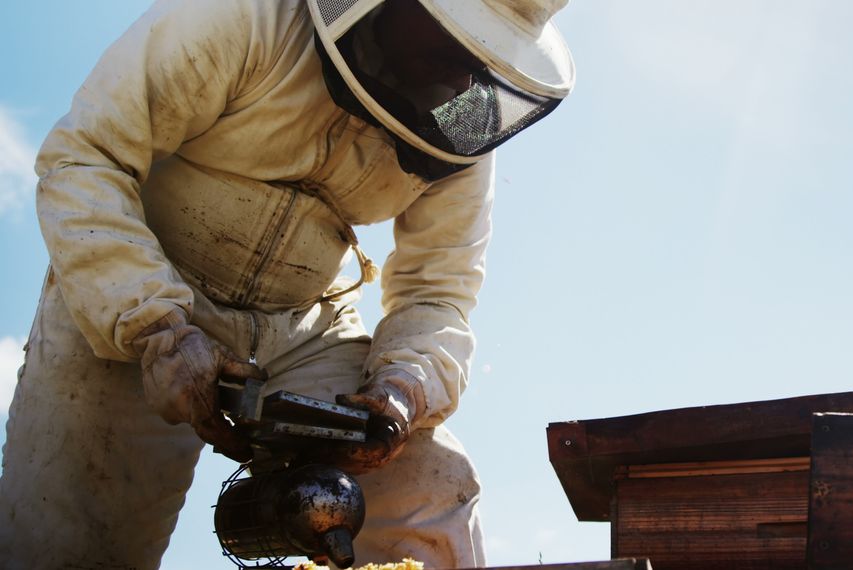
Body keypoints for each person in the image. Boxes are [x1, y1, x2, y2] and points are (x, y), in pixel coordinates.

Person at [0, 0, 574, 567]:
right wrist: (157, 326)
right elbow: (86, 158)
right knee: (69, 547)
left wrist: (405, 385)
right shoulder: (245, 15)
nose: (459, 76)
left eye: (483, 56)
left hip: (301, 324)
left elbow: (438, 290)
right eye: (452, 38)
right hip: (137, 292)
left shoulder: (461, 115)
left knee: (428, 483)